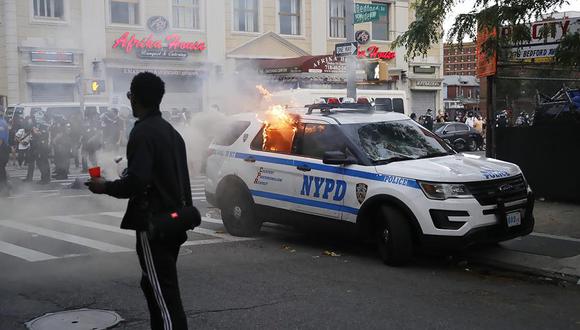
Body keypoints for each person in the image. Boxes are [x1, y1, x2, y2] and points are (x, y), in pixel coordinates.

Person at [86, 72, 191, 330]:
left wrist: (105, 187)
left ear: (134, 99)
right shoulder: (171, 131)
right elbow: (175, 177)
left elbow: (137, 182)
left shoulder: (142, 132)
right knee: (153, 284)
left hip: (154, 223)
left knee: (164, 295)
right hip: (175, 221)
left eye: (130, 95)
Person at [0, 111, 10, 196]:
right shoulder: (3, 121)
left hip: (2, 149)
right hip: (3, 149)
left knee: (1, 171)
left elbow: (1, 140)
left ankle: (4, 190)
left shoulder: (1, 123)